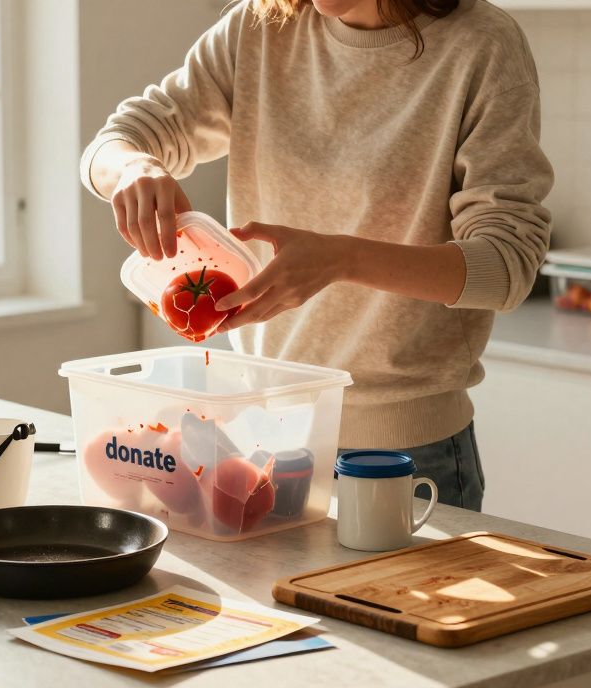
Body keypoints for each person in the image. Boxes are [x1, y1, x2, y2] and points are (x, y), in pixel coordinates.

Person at [80, 0, 552, 511]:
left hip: (403, 454)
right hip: (263, 436)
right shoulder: (259, 28)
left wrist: (339, 259)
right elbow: (117, 142)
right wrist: (133, 169)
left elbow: (507, 265)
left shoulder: (482, 45)